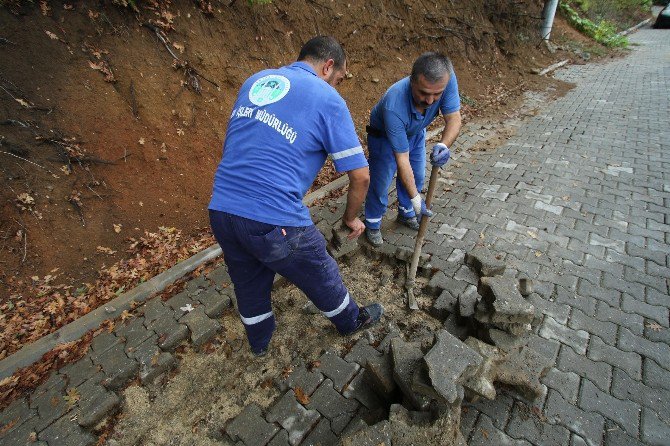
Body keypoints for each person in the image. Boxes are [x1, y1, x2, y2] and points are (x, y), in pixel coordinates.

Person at [208, 36, 383, 357]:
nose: (338, 86)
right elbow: (360, 175)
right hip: (274, 218)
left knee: (248, 283)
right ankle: (350, 321)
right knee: (320, 270)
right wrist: (349, 218)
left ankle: (259, 344)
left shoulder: (257, 80)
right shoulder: (327, 99)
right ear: (328, 66)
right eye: (340, 79)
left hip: (221, 209)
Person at [364, 52, 462, 246]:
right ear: (412, 81)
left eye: (437, 94)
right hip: (383, 137)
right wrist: (419, 202)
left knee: (417, 176)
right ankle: (373, 223)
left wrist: (444, 145)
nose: (430, 101)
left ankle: (406, 213)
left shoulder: (446, 79)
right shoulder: (394, 104)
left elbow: (454, 118)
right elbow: (402, 161)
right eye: (424, 93)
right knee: (381, 183)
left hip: (416, 132)